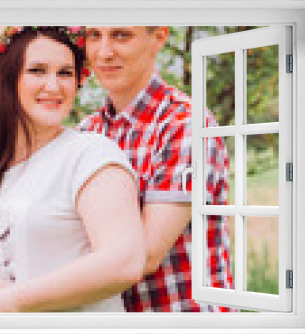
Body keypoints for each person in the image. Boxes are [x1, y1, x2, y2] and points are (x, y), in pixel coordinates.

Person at [0, 26, 145, 313]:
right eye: (37, 70)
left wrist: (11, 301)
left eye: (65, 73)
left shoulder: (90, 154)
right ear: (8, 79)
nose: (54, 86)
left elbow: (125, 260)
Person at [78, 26, 236, 312]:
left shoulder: (185, 125)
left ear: (159, 38)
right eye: (93, 36)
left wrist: (18, 298)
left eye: (121, 35)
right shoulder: (86, 133)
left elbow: (143, 257)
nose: (104, 52)